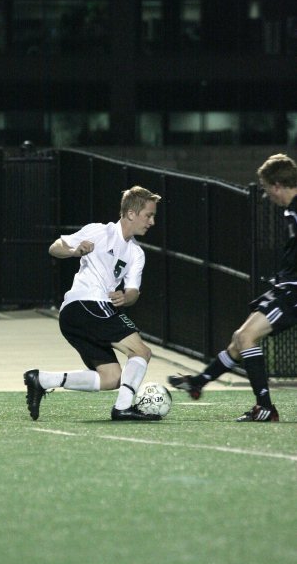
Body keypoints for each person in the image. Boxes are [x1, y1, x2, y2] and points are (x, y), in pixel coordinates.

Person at [168, 153, 297, 422]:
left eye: (265, 188)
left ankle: (265, 407)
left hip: (293, 291)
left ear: (276, 185)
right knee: (240, 339)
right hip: (285, 286)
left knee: (246, 337)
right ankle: (199, 383)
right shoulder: (291, 209)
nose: (265, 195)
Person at [24, 185, 162, 421]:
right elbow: (55, 248)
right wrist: (75, 251)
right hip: (86, 304)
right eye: (148, 215)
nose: (152, 222)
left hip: (79, 315)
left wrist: (125, 298)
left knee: (111, 378)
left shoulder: (136, 253)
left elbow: (133, 292)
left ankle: (41, 379)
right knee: (141, 351)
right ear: (131, 213)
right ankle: (123, 409)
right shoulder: (100, 232)